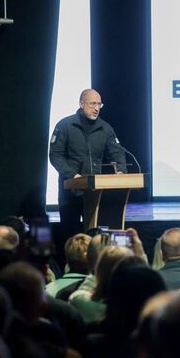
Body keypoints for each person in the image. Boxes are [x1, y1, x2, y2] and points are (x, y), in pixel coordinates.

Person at [49, 89, 127, 243]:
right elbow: (55, 155)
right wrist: (72, 175)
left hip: (95, 192)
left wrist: (121, 171)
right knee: (70, 236)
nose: (96, 108)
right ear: (81, 104)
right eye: (92, 104)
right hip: (70, 191)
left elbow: (117, 153)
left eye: (99, 104)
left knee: (95, 234)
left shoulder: (105, 128)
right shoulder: (65, 125)